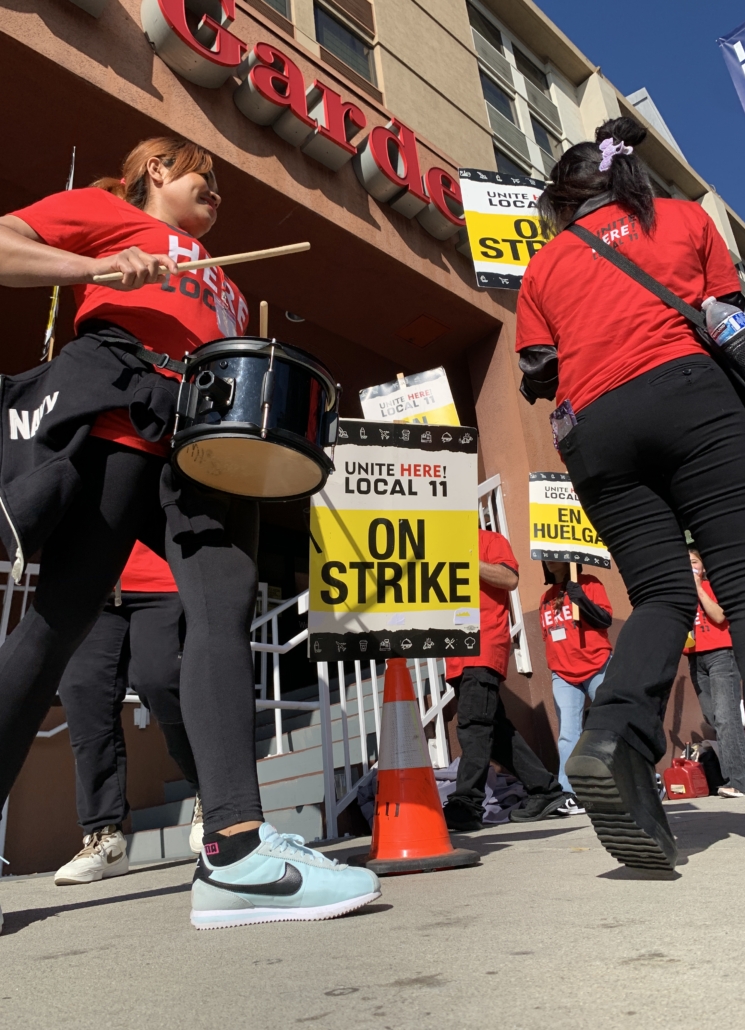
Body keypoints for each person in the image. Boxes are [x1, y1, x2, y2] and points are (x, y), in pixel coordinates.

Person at [0, 137, 379, 933]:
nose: (219, 193)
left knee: (224, 614)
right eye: (206, 176)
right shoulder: (108, 215)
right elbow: (6, 244)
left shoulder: (231, 286)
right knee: (54, 628)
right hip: (118, 429)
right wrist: (91, 271)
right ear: (158, 171)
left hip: (207, 447)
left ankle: (235, 852)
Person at [516, 114, 745, 871]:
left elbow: (539, 368)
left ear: (564, 204)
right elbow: (727, 317)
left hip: (596, 430)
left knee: (662, 595)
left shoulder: (542, 268)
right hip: (690, 395)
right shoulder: (687, 219)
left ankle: (613, 738)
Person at [54, 541, 203, 886]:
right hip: (93, 582)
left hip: (161, 576)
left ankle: (210, 792)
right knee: (83, 690)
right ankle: (104, 836)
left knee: (162, 678)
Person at [443, 527, 565, 832]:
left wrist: (464, 558)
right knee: (496, 734)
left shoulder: (487, 539)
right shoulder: (436, 542)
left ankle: (467, 805)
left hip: (482, 647)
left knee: (473, 727)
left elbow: (509, 578)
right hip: (456, 653)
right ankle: (545, 789)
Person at [539, 561, 613, 814]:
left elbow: (605, 621)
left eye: (556, 554)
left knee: (611, 726)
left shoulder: (590, 583)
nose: (551, 559)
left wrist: (581, 600)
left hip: (597, 665)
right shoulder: (546, 597)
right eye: (546, 555)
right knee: (568, 734)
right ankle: (569, 793)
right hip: (563, 673)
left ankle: (625, 782)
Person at [685, 548, 745, 798]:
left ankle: (740, 783)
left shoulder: (712, 586)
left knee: (727, 719)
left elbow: (718, 615)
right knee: (714, 718)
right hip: (695, 658)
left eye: (694, 561)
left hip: (721, 654)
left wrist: (698, 587)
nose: (689, 565)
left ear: (702, 567)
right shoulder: (680, 593)